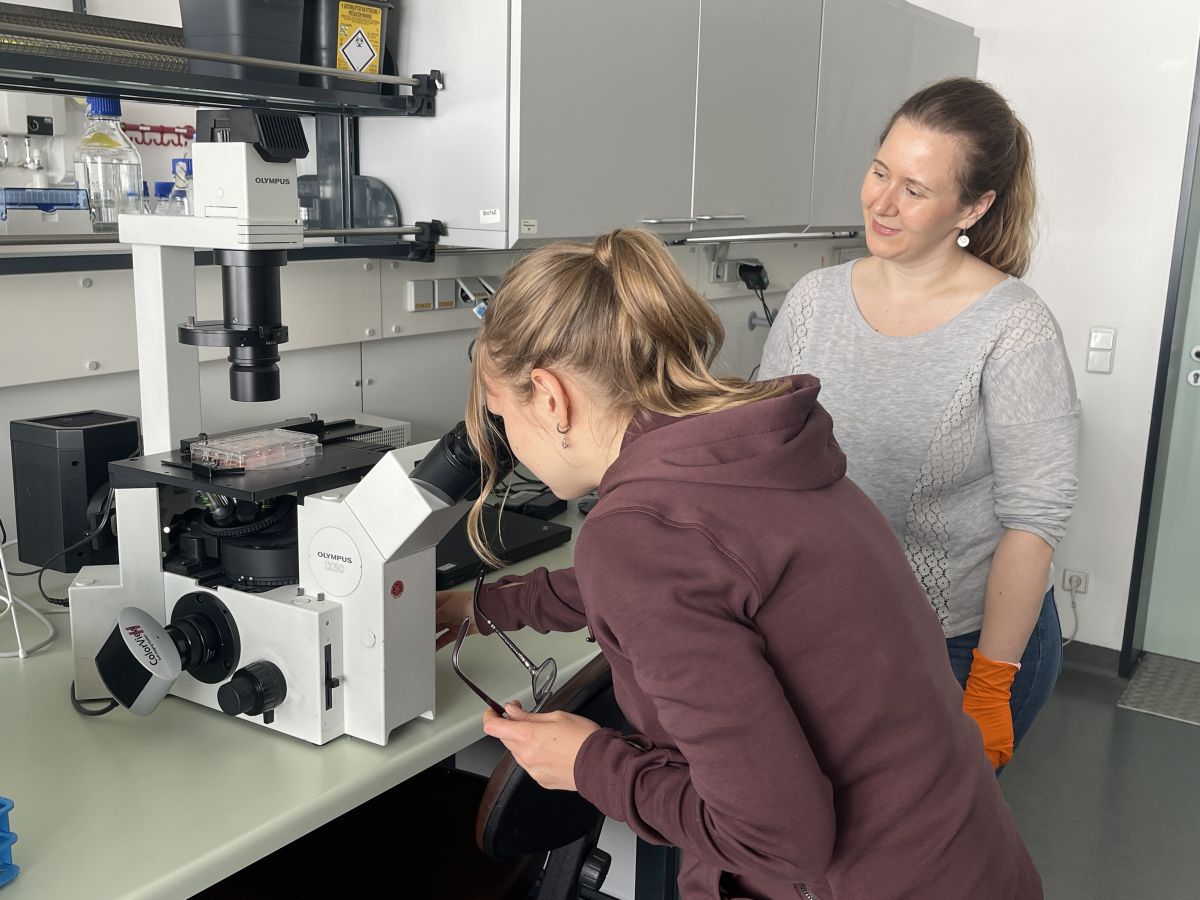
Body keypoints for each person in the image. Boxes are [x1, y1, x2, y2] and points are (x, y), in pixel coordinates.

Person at [436, 228, 1042, 899]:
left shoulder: (640, 536)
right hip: (966, 857)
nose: (510, 448)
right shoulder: (751, 456)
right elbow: (689, 581)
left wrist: (586, 762)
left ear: (550, 398)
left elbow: (777, 838)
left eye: (501, 414)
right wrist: (485, 605)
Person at [759, 76, 1080, 772]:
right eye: (879, 172)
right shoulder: (813, 301)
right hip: (832, 632)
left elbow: (1034, 520)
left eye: (915, 188)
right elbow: (764, 459)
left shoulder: (1014, 327)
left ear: (975, 205)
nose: (882, 201)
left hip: (962, 647)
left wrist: (990, 686)